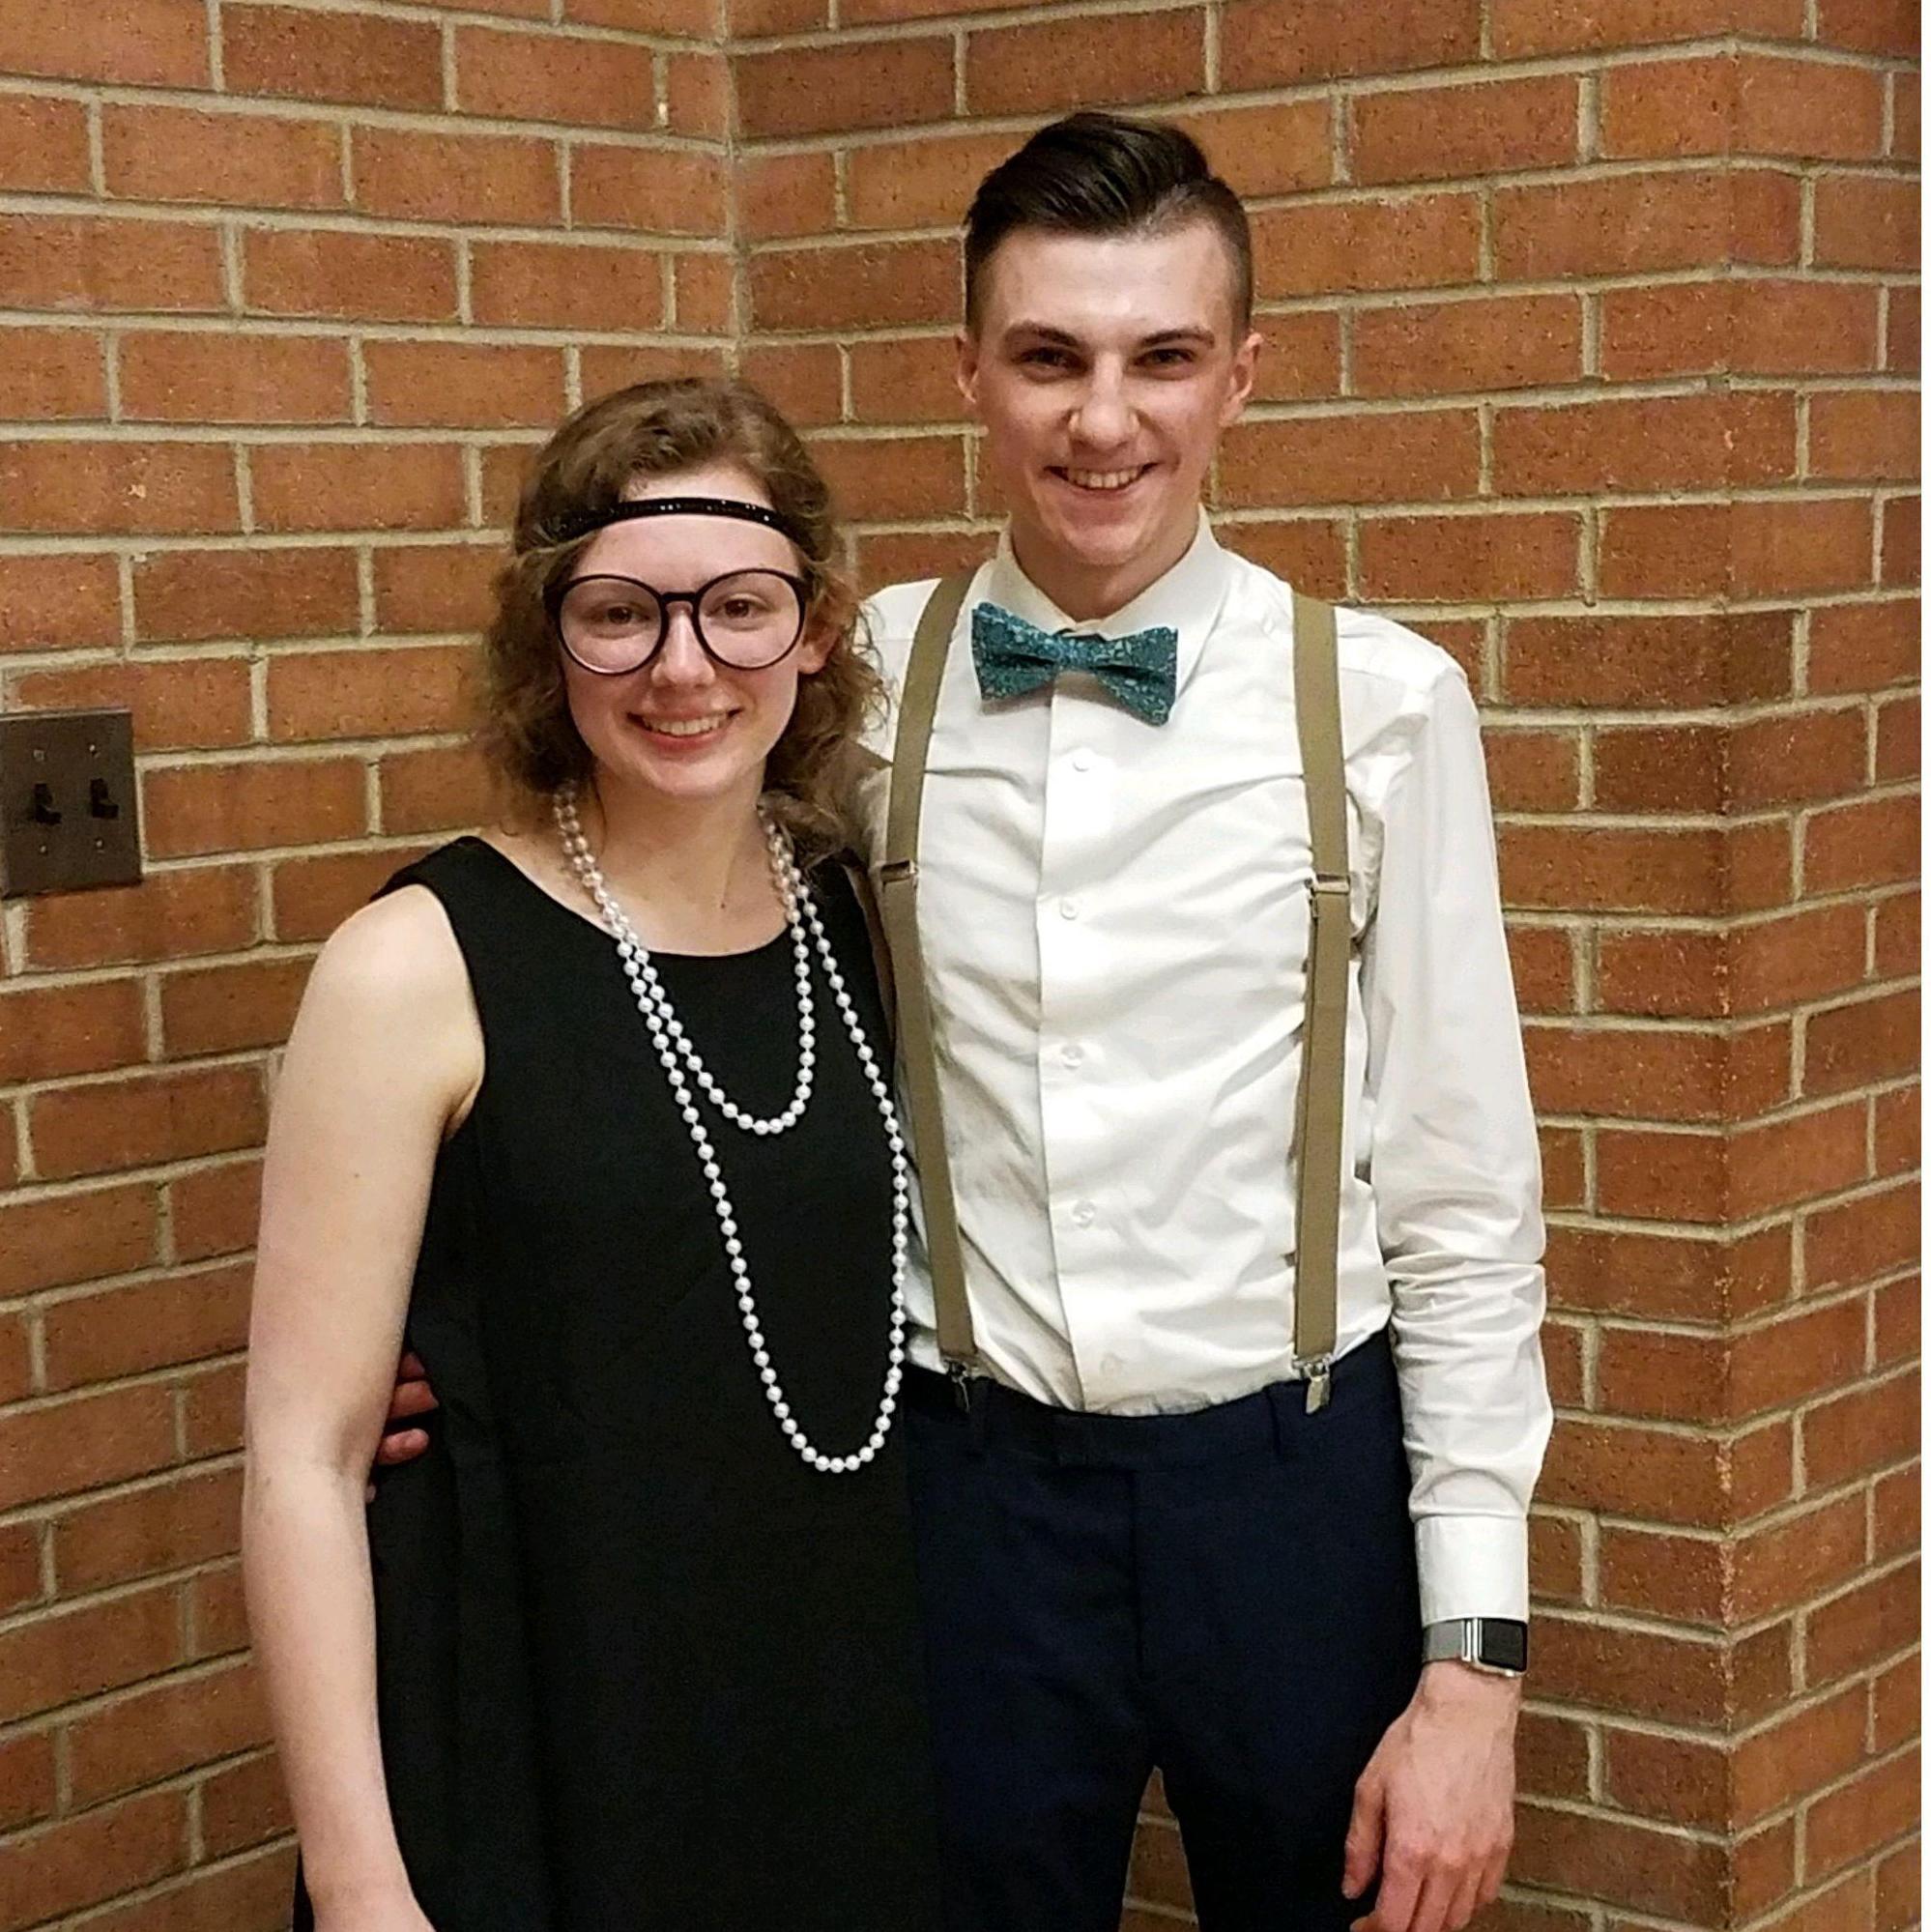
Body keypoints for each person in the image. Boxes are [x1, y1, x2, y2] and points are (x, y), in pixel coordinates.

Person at [385, 111, 1552, 1932]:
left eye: (1162, 357)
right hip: (961, 1502)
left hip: (1294, 1496)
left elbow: (1466, 1208)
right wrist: (469, 1329)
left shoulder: (1386, 705)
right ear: (969, 375)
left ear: (1240, 376)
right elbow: (643, 950)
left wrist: (1473, 1667)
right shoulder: (842, 682)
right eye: (1049, 358)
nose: (1105, 419)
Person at [243, 378, 942, 1932]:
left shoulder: (845, 913)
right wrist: (359, 1887)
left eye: (738, 608)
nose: (682, 667)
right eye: (620, 614)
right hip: (532, 1734)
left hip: (823, 1726)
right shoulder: (413, 964)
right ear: (547, 638)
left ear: (815, 629)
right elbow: (301, 1459)